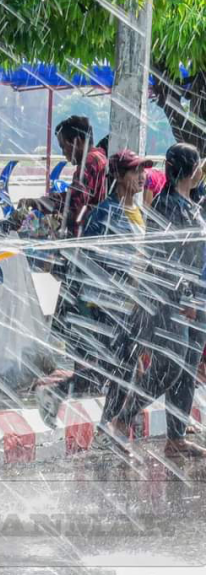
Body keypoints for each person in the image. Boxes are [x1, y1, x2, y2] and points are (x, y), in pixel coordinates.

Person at [107, 143, 206, 458]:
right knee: (170, 365)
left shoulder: (189, 202)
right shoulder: (168, 207)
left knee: (187, 367)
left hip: (195, 299)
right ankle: (123, 418)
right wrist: (186, 296)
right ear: (192, 170)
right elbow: (168, 261)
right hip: (169, 299)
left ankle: (175, 438)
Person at [79, 150, 151, 450]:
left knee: (128, 369)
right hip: (112, 304)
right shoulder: (105, 213)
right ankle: (108, 425)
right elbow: (89, 258)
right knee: (122, 368)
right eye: (135, 171)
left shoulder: (139, 212)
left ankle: (109, 426)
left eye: (143, 171)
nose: (142, 177)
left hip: (134, 304)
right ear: (119, 176)